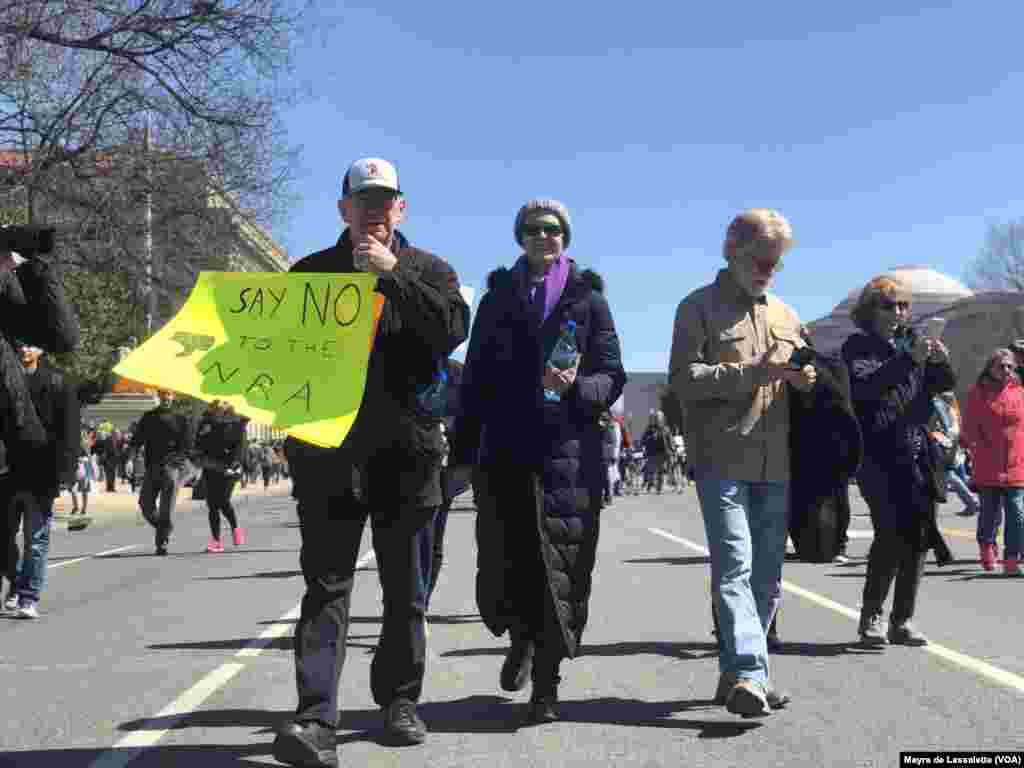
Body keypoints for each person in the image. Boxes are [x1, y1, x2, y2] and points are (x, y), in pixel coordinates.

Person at [272, 157, 469, 768]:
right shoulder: (310, 274)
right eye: (364, 199)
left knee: (404, 592)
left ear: (401, 209)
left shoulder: (429, 271)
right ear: (344, 209)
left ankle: (400, 702)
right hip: (328, 459)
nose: (375, 210)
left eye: (386, 199)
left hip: (407, 457)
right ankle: (314, 719)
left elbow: (452, 329)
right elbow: (279, 359)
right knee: (325, 589)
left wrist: (392, 278)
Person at [452, 198, 626, 724]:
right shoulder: (498, 298)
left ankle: (547, 686)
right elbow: (475, 379)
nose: (542, 237)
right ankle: (522, 639)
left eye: (552, 230)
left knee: (562, 570)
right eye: (532, 229)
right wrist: (461, 452)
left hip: (568, 455)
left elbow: (612, 373)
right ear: (520, 237)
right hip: (505, 452)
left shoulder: (588, 300)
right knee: (510, 563)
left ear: (565, 238)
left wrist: (579, 390)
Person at [668, 209, 815, 717]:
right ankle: (753, 671)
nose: (767, 271)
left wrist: (803, 379)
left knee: (768, 579)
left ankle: (737, 675)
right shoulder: (697, 308)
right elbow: (684, 380)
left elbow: (796, 371)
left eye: (775, 264)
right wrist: (752, 372)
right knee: (734, 566)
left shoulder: (788, 316)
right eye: (759, 260)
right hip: (721, 457)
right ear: (732, 251)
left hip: (776, 462)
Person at [841, 275, 954, 648]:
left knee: (920, 537)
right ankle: (871, 616)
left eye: (904, 305)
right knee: (890, 534)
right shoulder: (858, 346)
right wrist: (909, 358)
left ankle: (902, 619)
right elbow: (866, 388)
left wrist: (938, 360)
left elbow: (941, 386)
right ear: (871, 311)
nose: (899, 312)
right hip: (879, 454)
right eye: (890, 305)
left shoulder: (912, 343)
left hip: (919, 451)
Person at [1, 342, 79, 618]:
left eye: (31, 345)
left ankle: (28, 597)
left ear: (43, 350)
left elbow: (70, 431)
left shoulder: (59, 383)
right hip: (8, 472)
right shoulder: (5, 379)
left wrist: (66, 473)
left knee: (35, 540)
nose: (24, 350)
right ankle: (17, 580)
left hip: (42, 472)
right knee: (3, 538)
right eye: (20, 345)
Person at [962, 348, 1024, 575]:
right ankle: (987, 547)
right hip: (988, 462)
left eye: (1010, 366)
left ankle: (1011, 559)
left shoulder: (1019, 390)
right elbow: (969, 426)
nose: (1006, 370)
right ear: (990, 368)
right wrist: (978, 448)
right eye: (1001, 366)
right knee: (990, 512)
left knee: (1017, 513)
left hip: (1016, 463)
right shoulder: (978, 392)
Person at [130, 389, 198, 556]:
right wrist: (130, 458)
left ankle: (162, 543)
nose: (166, 397)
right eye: (163, 394)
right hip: (152, 467)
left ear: (173, 396)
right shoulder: (149, 417)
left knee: (166, 509)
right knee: (145, 505)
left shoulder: (182, 419)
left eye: (169, 394)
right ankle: (165, 527)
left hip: (171, 469)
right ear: (158, 397)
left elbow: (188, 445)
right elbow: (137, 440)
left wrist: (178, 462)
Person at [195, 400, 247, 553]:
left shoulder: (237, 424)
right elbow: (198, 443)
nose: (218, 409)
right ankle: (216, 541)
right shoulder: (206, 423)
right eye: (215, 406)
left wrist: (234, 464)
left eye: (222, 406)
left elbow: (241, 447)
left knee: (223, 500)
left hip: (229, 469)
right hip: (211, 467)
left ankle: (235, 527)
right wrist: (199, 455)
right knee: (212, 504)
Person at [930, 391, 979, 518]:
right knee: (950, 477)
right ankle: (972, 502)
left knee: (944, 479)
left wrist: (935, 437)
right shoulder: (951, 410)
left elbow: (942, 430)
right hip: (948, 447)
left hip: (943, 447)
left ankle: (972, 502)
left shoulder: (943, 410)